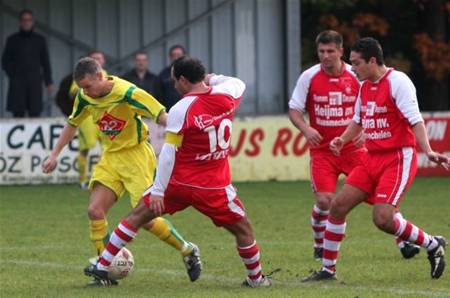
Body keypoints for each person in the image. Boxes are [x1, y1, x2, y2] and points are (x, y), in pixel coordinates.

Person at [84, 56, 272, 288]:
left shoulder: (181, 108)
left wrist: (159, 191)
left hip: (179, 183)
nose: (173, 85)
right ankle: (256, 279)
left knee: (136, 217)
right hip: (214, 186)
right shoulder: (229, 93)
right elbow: (236, 81)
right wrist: (211, 78)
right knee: (243, 229)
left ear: (183, 80)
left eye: (174, 81)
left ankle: (103, 266)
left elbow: (169, 154)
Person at [43, 57, 201, 286]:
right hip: (111, 158)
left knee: (146, 220)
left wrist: (184, 136)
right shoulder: (85, 97)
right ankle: (104, 269)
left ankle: (187, 249)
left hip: (136, 157)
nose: (85, 91)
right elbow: (72, 123)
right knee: (95, 211)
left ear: (100, 76)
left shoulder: (127, 92)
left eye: (88, 86)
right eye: (81, 88)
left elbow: (160, 114)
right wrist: (54, 154)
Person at [302, 37, 449, 282]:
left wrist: (429, 150)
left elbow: (415, 120)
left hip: (397, 158)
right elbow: (358, 120)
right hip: (371, 158)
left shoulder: (398, 81)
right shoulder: (364, 85)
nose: (353, 68)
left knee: (382, 218)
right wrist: (343, 139)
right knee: (337, 207)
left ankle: (432, 245)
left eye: (356, 63)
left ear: (372, 61)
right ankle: (328, 270)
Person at [289, 30, 420, 261]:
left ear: (341, 51)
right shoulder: (309, 77)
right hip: (323, 152)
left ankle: (404, 242)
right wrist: (306, 129)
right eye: (321, 51)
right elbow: (294, 109)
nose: (325, 56)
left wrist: (363, 133)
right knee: (326, 201)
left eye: (331, 51)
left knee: (380, 199)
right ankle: (321, 246)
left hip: (356, 151)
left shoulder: (357, 74)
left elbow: (371, 112)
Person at [56, 50, 106, 188]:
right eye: (94, 58)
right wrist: (86, 90)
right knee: (86, 148)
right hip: (88, 118)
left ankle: (101, 178)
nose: (98, 60)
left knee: (107, 149)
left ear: (103, 61)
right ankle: (83, 180)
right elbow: (72, 93)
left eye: (99, 58)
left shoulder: (106, 75)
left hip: (104, 117)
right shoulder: (82, 76)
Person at [1, 9, 53, 117]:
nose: (26, 22)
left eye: (29, 20)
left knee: (35, 112)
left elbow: (45, 62)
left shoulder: (40, 40)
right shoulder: (12, 40)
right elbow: (5, 61)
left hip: (34, 82)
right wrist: (13, 74)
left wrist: (48, 82)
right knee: (18, 112)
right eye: (24, 20)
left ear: (32, 22)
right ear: (20, 22)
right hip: (17, 83)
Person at [156, 45, 186, 111]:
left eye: (179, 55)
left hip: (188, 109)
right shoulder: (163, 75)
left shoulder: (191, 72)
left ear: (184, 56)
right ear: (170, 57)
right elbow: (158, 96)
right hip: (169, 111)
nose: (176, 58)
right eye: (174, 55)